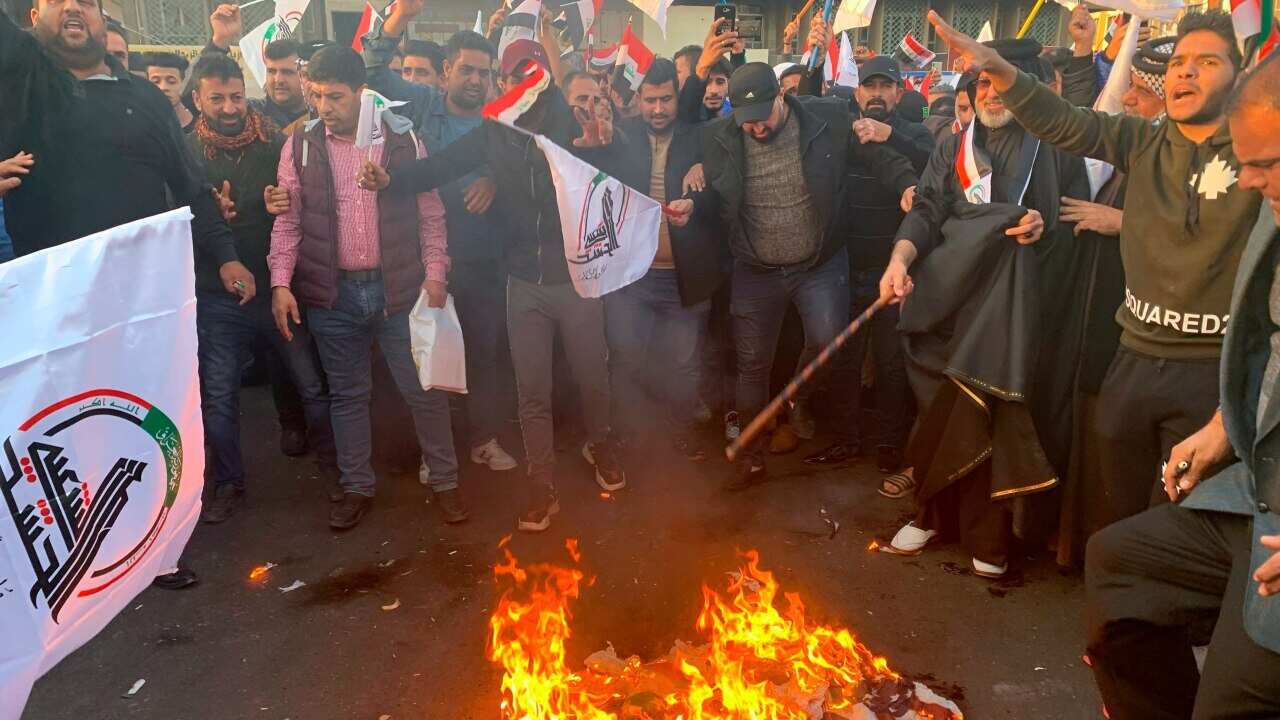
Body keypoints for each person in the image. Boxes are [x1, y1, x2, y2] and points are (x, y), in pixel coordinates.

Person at [928, 10, 1262, 534]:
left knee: (1180, 520)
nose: (1185, 74)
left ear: (1240, 76)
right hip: (1133, 359)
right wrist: (997, 67)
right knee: (1115, 520)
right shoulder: (1142, 140)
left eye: (1206, 62)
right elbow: (1065, 120)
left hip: (1210, 369)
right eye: (1178, 63)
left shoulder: (1259, 156)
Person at [1, 0, 251, 590]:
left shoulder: (143, 99)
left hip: (140, 306)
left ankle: (152, 550)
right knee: (69, 431)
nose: (72, 9)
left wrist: (227, 254)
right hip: (55, 309)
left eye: (85, 1)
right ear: (30, 16)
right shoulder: (24, 88)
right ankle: (73, 557)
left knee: (142, 424)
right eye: (56, 0)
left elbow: (191, 185)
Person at [358, 25, 630, 533]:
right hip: (522, 281)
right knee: (532, 390)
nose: (520, 86)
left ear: (544, 79)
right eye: (510, 77)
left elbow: (617, 178)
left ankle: (602, 445)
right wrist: (391, 180)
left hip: (576, 279)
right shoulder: (492, 131)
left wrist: (603, 149)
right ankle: (541, 485)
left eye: (531, 76)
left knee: (593, 375)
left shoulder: (573, 124)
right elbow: (437, 168)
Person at [1082, 54, 1280, 719]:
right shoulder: (1275, 223)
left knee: (1233, 697)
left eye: (1268, 164)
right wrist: (1224, 428)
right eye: (1245, 162)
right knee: (1121, 565)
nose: (1249, 183)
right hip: (1254, 499)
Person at [879, 38, 1091, 579]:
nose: (991, 93)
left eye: (1001, 82)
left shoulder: (1056, 148)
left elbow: (1073, 228)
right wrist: (901, 259)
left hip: (1011, 310)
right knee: (937, 414)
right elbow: (927, 210)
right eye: (982, 83)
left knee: (991, 418)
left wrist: (1043, 228)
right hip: (946, 300)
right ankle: (930, 516)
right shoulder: (953, 142)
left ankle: (988, 536)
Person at [265, 45, 464, 531]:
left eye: (335, 96)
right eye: (317, 96)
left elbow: (430, 213)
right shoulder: (300, 146)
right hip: (333, 296)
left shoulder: (400, 141)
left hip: (399, 291)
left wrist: (436, 273)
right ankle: (356, 487)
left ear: (361, 93)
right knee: (348, 395)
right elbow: (288, 223)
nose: (324, 107)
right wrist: (279, 283)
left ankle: (446, 482)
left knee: (424, 391)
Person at [701, 53, 919, 490]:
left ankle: (795, 399)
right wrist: (693, 198)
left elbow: (877, 157)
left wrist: (906, 185)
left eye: (763, 117)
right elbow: (717, 195)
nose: (757, 128)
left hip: (817, 263)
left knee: (827, 342)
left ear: (782, 96)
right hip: (755, 268)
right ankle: (750, 458)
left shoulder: (827, 117)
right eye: (748, 122)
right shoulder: (719, 136)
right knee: (751, 366)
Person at [358, 16, 519, 473]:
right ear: (446, 71)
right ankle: (435, 451)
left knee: (484, 355)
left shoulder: (506, 121)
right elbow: (372, 75)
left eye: (484, 72)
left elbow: (533, 175)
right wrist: (397, 20)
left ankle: (482, 440)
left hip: (486, 261)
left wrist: (495, 181)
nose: (475, 80)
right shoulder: (424, 106)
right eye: (466, 70)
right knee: (428, 357)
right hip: (424, 260)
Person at [185, 53, 337, 523]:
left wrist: (282, 198)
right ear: (197, 99)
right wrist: (206, 219)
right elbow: (166, 222)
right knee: (220, 397)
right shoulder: (183, 154)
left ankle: (337, 470)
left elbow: (299, 199)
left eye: (236, 97)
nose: (230, 108)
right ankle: (228, 483)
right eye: (217, 99)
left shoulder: (275, 143)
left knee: (309, 383)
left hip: (276, 285)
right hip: (217, 295)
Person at [1055, 36, 1172, 567]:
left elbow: (1200, 241)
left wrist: (1120, 222)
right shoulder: (1142, 146)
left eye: (1142, 95)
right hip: (1100, 325)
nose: (1127, 101)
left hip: (1155, 344)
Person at [805, 55, 933, 473]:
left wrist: (889, 134)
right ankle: (845, 440)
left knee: (891, 366)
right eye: (869, 86)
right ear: (857, 92)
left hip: (895, 272)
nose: (877, 94)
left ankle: (889, 448)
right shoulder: (843, 128)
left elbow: (933, 160)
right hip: (843, 266)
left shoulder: (912, 132)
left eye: (885, 86)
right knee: (844, 361)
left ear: (899, 92)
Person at [608, 58, 722, 461]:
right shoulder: (619, 138)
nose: (659, 109)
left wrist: (702, 181)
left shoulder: (703, 136)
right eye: (651, 100)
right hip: (631, 277)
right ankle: (627, 433)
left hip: (685, 276)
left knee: (685, 363)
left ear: (678, 98)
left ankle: (682, 432)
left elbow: (727, 182)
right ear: (638, 99)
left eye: (667, 100)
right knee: (625, 358)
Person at [208, 4, 310, 129]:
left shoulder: (324, 117)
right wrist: (219, 42)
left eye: (287, 72)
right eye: (271, 71)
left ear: (305, 74)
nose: (278, 79)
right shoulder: (249, 113)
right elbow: (197, 99)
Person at [146, 51, 195, 133]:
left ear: (182, 82)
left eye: (171, 81)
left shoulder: (200, 123)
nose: (163, 87)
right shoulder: (139, 123)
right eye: (155, 81)